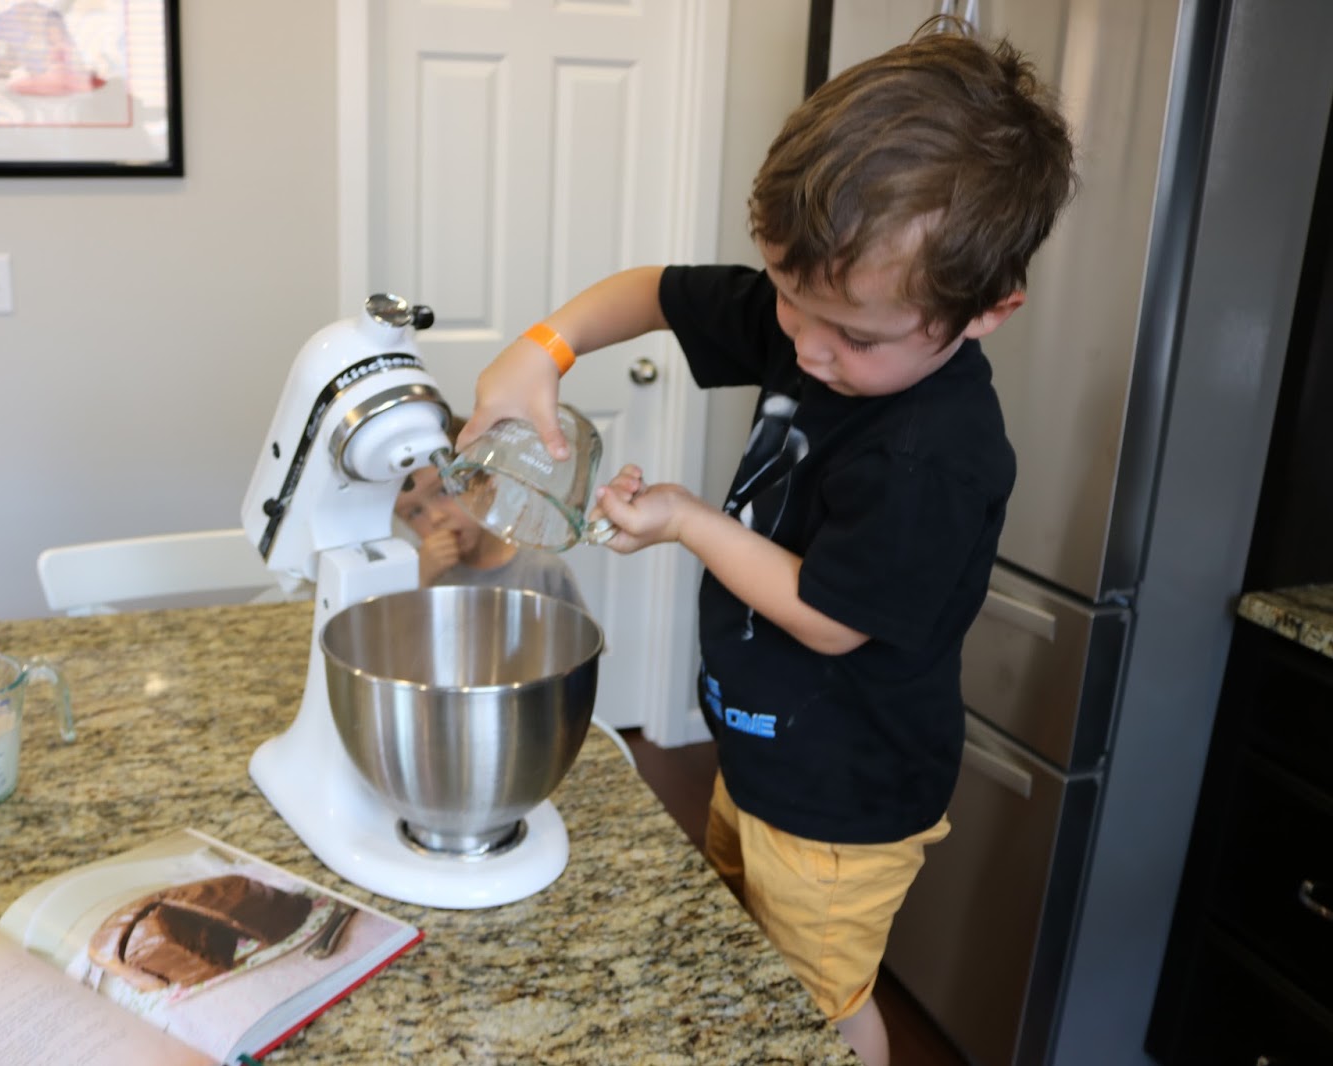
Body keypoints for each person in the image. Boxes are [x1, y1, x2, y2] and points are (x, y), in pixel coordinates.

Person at [457, 21, 1075, 1066]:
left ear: (988, 311)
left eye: (855, 337)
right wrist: (540, 350)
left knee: (820, 1008)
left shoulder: (934, 453)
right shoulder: (828, 308)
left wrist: (687, 519)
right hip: (764, 753)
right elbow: (653, 291)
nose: (807, 348)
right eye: (788, 299)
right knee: (745, 967)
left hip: (845, 800)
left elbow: (832, 619)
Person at [394, 416, 587, 609]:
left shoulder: (542, 572)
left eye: (444, 491)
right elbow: (400, 628)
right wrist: (420, 581)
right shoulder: (418, 575)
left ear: (486, 482)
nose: (436, 518)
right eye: (414, 512)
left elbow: (577, 629)